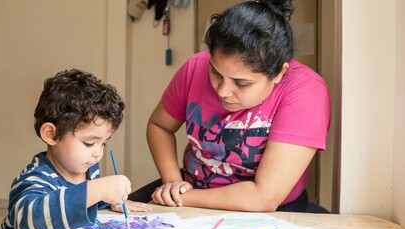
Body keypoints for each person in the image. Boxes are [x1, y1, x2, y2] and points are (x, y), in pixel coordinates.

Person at [136, 0, 330, 212]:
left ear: (279, 73)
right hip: (191, 190)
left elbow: (264, 198)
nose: (222, 91)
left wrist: (186, 197)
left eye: (241, 83)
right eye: (216, 73)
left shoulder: (305, 91)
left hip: (267, 210)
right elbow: (160, 125)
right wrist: (174, 185)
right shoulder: (195, 67)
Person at [0, 69, 151, 229]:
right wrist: (96, 190)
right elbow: (29, 223)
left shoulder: (88, 168)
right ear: (51, 134)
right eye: (89, 143)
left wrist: (108, 200)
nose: (97, 154)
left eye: (103, 143)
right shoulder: (35, 178)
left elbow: (77, 203)